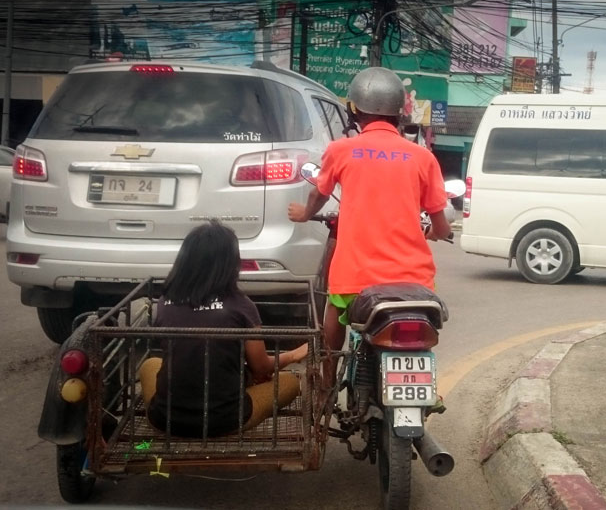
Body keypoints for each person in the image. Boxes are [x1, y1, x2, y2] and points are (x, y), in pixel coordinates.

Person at [287, 66, 451, 361]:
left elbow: (319, 194)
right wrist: (435, 233)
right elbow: (440, 223)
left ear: (354, 110)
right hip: (415, 283)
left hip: (355, 278)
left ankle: (326, 380)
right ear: (398, 112)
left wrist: (304, 213)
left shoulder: (342, 150)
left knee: (334, 310)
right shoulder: (423, 157)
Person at [138, 220, 308, 437]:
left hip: (165, 420)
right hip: (227, 420)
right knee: (290, 382)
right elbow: (262, 368)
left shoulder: (165, 301)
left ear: (185, 261)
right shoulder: (241, 305)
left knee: (151, 364)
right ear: (230, 264)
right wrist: (293, 355)